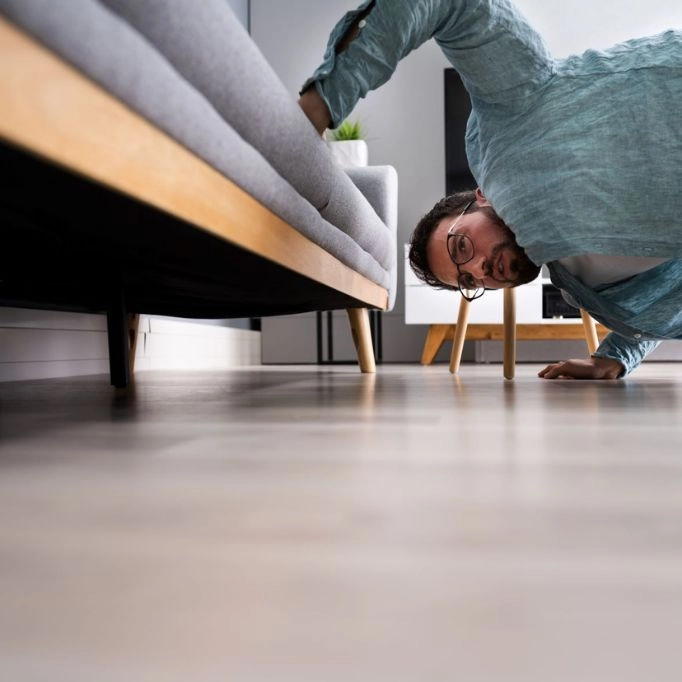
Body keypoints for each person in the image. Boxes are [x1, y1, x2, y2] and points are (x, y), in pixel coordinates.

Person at [298, 0, 682, 380]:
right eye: (468, 281)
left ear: (480, 196)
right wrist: (615, 356)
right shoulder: (583, 289)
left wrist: (318, 108)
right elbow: (663, 292)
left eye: (462, 246)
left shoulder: (512, 117)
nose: (481, 271)